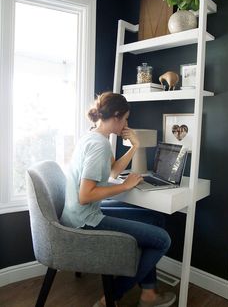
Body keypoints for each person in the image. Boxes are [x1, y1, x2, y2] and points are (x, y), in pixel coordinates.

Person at [60, 91, 176, 307]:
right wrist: (125, 186)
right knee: (163, 240)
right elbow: (85, 195)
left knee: (154, 219)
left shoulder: (95, 136)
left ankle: (148, 294)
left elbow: (112, 171)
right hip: (84, 220)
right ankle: (110, 297)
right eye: (125, 118)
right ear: (115, 116)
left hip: (81, 213)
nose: (126, 123)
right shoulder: (99, 145)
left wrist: (134, 147)